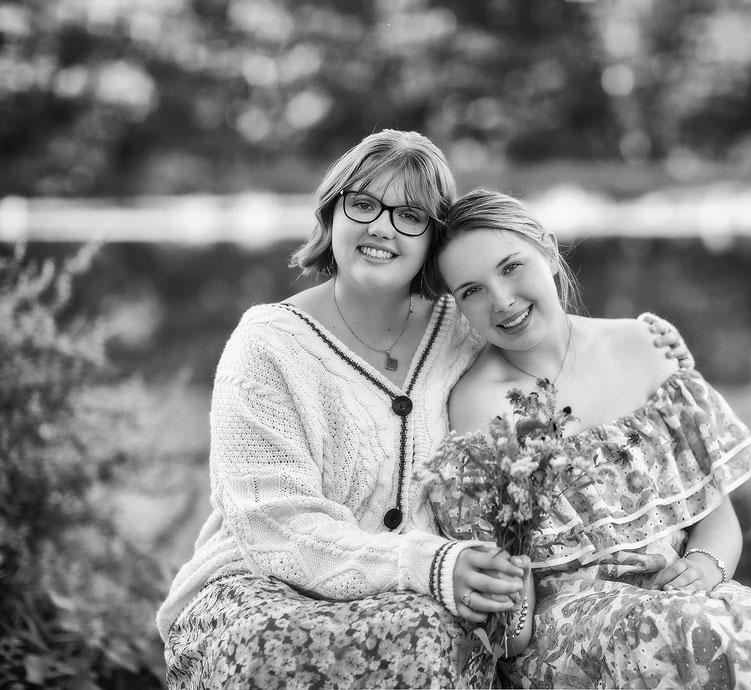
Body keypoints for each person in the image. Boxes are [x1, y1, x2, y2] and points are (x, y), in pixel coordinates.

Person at [155, 130, 685, 689]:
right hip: (265, 588)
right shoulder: (267, 345)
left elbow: (555, 351)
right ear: (331, 213)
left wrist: (646, 341)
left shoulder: (464, 326)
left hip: (425, 596)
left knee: (427, 635)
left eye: (410, 215)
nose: (381, 227)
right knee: (287, 646)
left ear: (432, 240)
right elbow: (275, 526)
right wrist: (424, 563)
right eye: (362, 204)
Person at [422, 189, 751, 689]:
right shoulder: (478, 407)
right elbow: (509, 634)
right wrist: (512, 543)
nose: (502, 300)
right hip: (570, 634)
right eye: (472, 291)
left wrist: (705, 569)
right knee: (677, 635)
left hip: (682, 601)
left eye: (511, 267)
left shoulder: (644, 347)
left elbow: (718, 519)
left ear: (549, 251)